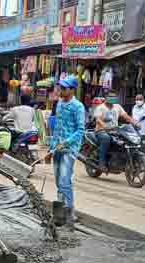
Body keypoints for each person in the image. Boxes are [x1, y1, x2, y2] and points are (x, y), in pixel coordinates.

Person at [50, 76, 86, 223]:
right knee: (59, 182)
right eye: (60, 88)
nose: (61, 91)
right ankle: (62, 212)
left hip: (69, 149)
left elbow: (80, 130)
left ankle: (69, 213)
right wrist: (52, 147)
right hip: (57, 148)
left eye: (64, 88)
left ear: (72, 90)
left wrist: (66, 143)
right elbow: (57, 128)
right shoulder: (58, 103)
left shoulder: (78, 107)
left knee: (65, 180)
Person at [93, 98, 134, 172]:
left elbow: (126, 116)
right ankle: (101, 163)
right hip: (101, 130)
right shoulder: (100, 107)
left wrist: (135, 123)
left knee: (124, 141)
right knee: (106, 139)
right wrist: (104, 125)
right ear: (107, 98)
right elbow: (98, 119)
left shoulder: (117, 106)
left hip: (114, 131)